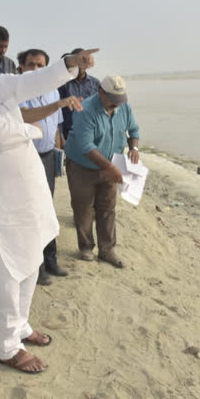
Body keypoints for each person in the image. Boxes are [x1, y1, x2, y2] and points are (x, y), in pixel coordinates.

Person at [0, 35, 98, 373]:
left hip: (25, 197)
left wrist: (71, 63)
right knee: (5, 274)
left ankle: (21, 326)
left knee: (30, 262)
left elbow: (34, 80)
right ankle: (7, 345)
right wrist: (35, 132)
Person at [18, 49, 83, 285]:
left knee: (47, 210)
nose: (36, 69)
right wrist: (57, 105)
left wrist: (58, 155)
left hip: (47, 157)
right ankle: (36, 268)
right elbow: (25, 117)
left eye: (40, 65)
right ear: (21, 68)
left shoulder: (52, 91)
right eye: (31, 65)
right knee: (31, 214)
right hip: (26, 159)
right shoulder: (18, 93)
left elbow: (56, 128)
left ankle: (51, 260)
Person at [64, 76, 140, 269]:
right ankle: (86, 247)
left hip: (110, 164)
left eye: (120, 99)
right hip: (82, 166)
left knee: (107, 208)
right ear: (100, 92)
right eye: (113, 99)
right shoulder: (85, 110)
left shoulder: (124, 107)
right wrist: (110, 167)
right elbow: (86, 146)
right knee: (84, 208)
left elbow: (133, 130)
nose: (117, 104)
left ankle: (107, 250)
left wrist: (134, 148)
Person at [58, 47, 101, 140]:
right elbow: (57, 113)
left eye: (85, 61)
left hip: (92, 133)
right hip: (69, 134)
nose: (82, 64)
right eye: (80, 60)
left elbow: (101, 108)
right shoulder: (62, 84)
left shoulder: (95, 83)